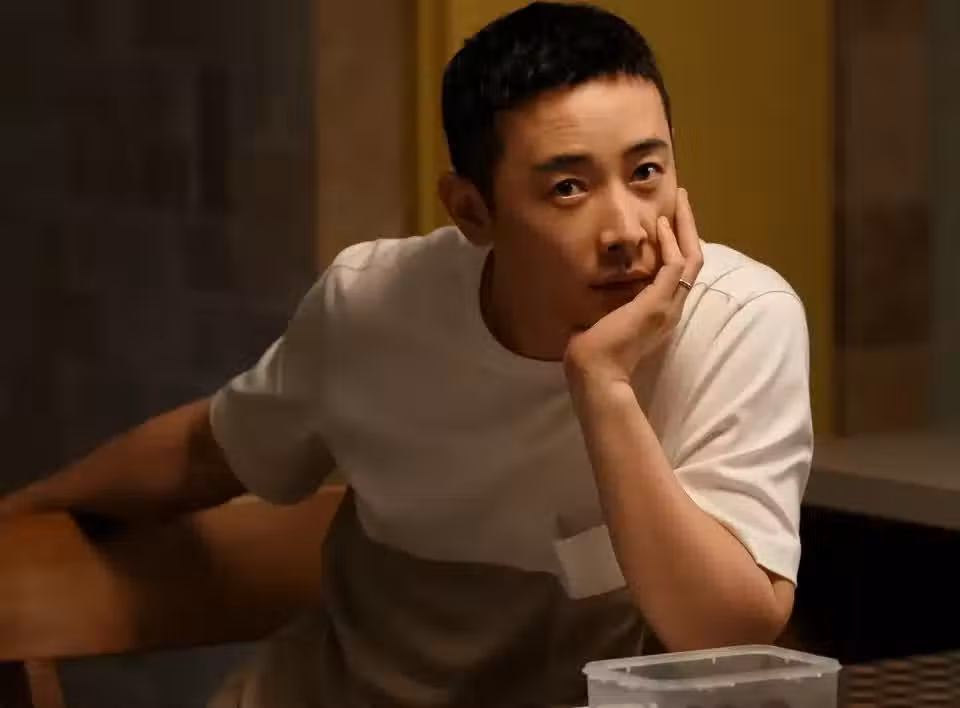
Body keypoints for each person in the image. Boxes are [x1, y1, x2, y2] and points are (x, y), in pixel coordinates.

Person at [0, 3, 813, 706]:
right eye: (568, 188)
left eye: (646, 172)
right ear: (472, 210)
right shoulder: (373, 304)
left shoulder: (738, 320)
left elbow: (726, 631)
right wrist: (27, 508)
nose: (628, 230)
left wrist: (601, 384)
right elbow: (213, 449)